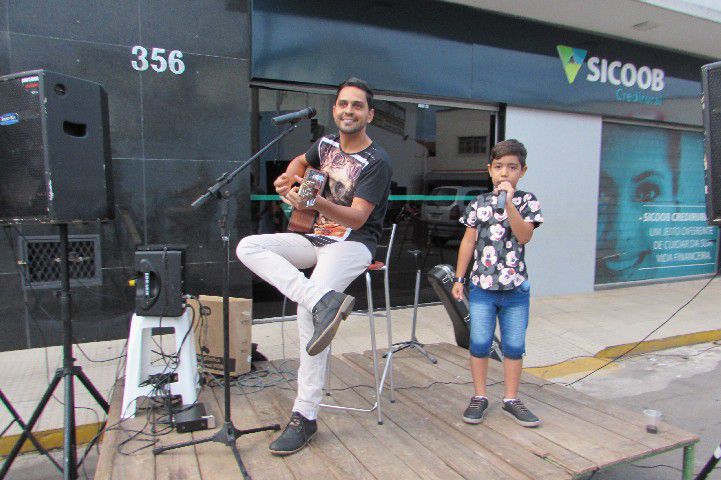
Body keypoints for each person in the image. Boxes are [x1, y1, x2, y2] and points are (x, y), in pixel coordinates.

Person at [236, 77, 392, 455]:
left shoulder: (376, 162)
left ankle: (304, 415)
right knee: (248, 246)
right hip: (313, 236)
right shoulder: (324, 143)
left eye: (357, 105)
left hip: (353, 244)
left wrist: (315, 200)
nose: (348, 111)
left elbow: (356, 219)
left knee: (307, 316)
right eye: (343, 104)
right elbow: (299, 164)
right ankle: (322, 300)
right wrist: (290, 180)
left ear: (369, 114)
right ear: (335, 110)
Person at [451, 139, 544, 427]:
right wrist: (459, 277)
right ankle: (479, 396)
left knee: (514, 345)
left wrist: (509, 204)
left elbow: (525, 235)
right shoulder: (478, 203)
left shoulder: (528, 201)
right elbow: (468, 241)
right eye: (499, 167)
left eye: (512, 168)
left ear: (523, 171)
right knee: (479, 342)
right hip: (482, 289)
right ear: (490, 170)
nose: (505, 173)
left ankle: (511, 399)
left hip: (516, 289)